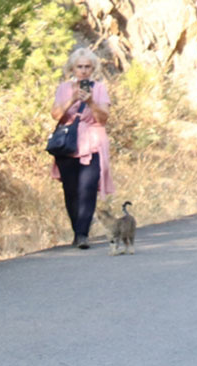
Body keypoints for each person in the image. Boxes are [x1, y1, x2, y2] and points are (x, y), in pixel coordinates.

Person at [50, 47, 115, 249]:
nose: (84, 71)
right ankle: (77, 230)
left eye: (87, 67)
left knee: (87, 189)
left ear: (93, 68)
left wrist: (91, 101)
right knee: (70, 190)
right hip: (67, 143)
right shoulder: (63, 88)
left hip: (93, 142)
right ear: (72, 68)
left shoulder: (99, 89)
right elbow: (55, 115)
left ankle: (82, 234)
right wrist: (73, 99)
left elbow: (103, 118)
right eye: (80, 67)